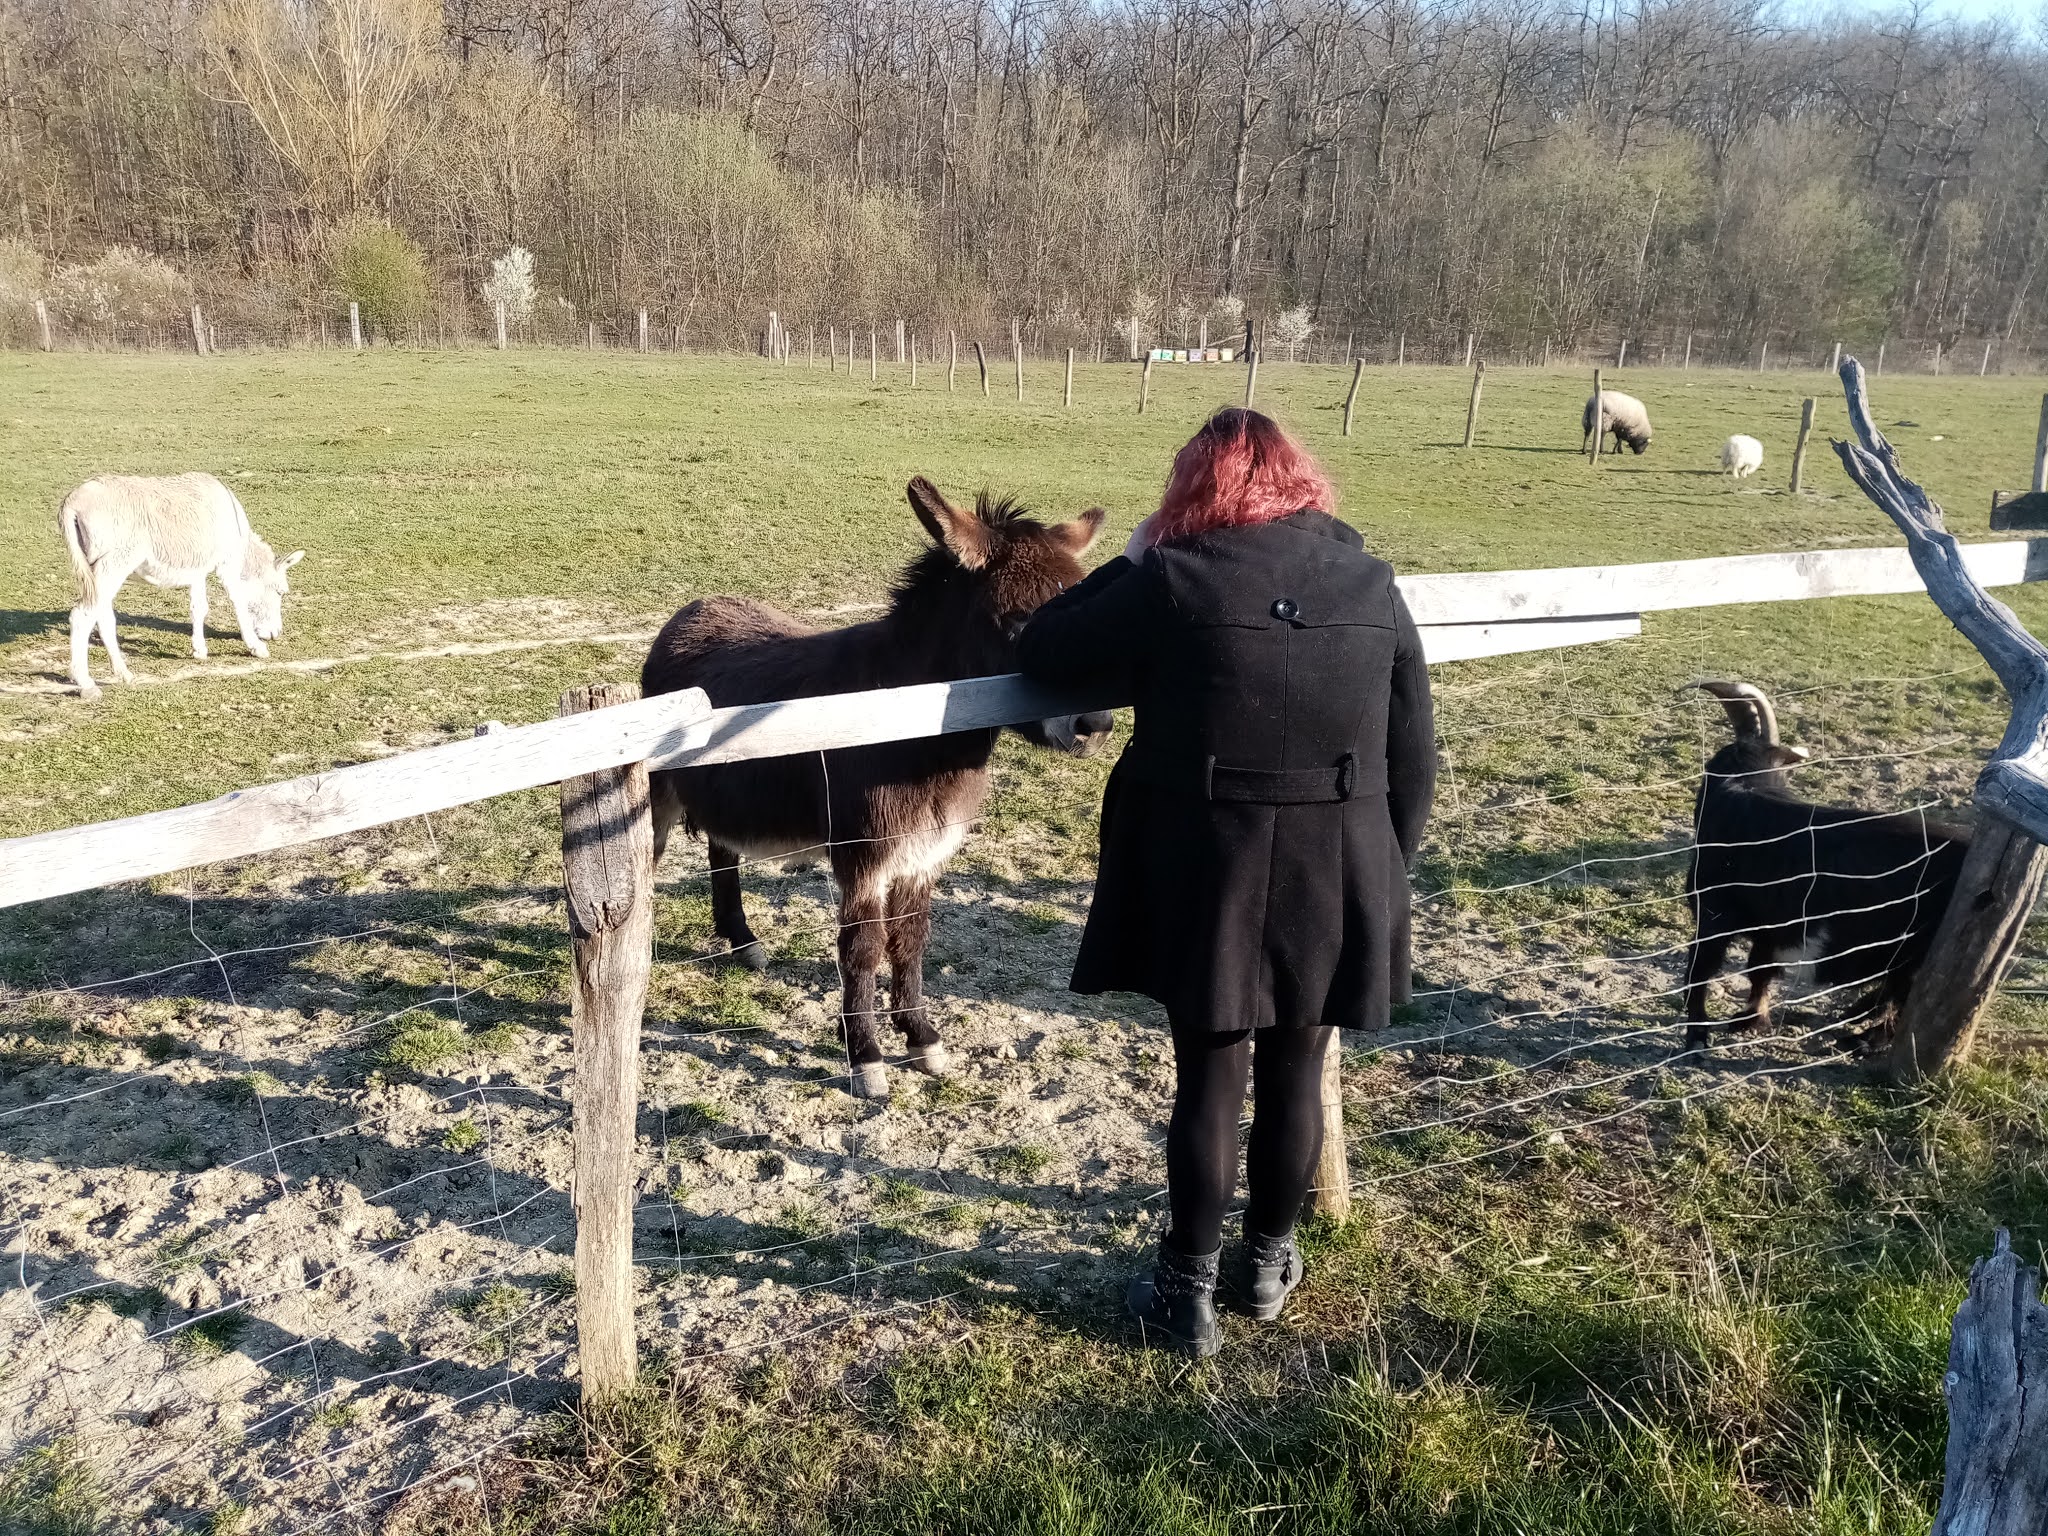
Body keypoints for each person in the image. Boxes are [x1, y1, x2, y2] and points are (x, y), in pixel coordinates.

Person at [1016, 407, 1436, 1356]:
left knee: (1210, 1076)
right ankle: (1267, 1265)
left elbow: (1042, 645)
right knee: (1297, 1070)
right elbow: (1415, 751)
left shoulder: (1172, 577)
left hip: (1207, 865)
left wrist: (1130, 556)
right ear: (1302, 482)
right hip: (1338, 860)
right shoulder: (1372, 582)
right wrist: (1381, 870)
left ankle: (1185, 1292)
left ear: (1192, 488)